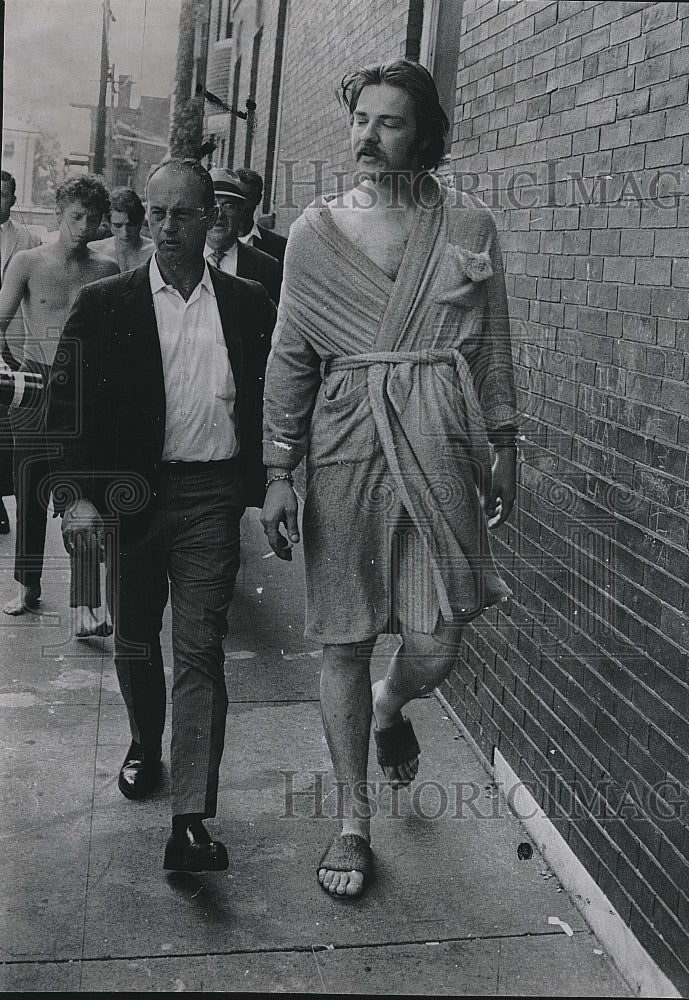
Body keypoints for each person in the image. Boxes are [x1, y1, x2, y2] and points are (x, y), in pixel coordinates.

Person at [261, 60, 518, 898]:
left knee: (438, 641)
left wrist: (505, 438)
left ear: (426, 135)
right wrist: (277, 469)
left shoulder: (468, 224)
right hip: (344, 438)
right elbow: (290, 357)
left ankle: (388, 707)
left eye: (390, 123)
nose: (367, 138)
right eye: (360, 119)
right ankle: (351, 822)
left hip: (441, 439)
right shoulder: (314, 232)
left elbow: (493, 341)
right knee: (343, 633)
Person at [47, 158, 275, 871]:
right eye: (157, 213)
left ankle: (189, 823)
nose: (167, 227)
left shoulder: (246, 303)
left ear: (212, 219)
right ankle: (146, 742)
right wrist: (73, 498)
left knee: (201, 650)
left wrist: (276, 481)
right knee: (137, 638)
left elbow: (274, 402)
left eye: (183, 214)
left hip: (211, 497)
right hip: (129, 499)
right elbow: (62, 410)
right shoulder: (106, 303)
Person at [0, 174, 118, 621]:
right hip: (35, 383)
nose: (85, 226)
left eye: (93, 218)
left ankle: (87, 604)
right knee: (29, 489)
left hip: (84, 390)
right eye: (76, 217)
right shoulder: (28, 262)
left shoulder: (105, 270)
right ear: (58, 214)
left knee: (81, 492)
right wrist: (9, 373)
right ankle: (28, 586)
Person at [0, 170, 42, 534]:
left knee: (9, 425)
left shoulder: (28, 238)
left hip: (13, 342)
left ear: (13, 199)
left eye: (2, 195)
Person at [205, 168, 281, 304]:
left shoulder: (268, 267)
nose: (219, 214)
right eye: (212, 205)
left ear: (241, 211)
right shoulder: (180, 260)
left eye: (228, 206)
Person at [89, 187, 154, 271]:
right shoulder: (95, 249)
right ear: (109, 224)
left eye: (130, 225)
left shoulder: (154, 251)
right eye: (118, 226)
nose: (125, 232)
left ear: (140, 222)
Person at [235, 168, 288, 273]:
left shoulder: (279, 246)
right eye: (238, 197)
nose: (243, 205)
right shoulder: (210, 242)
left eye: (248, 197)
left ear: (258, 199)